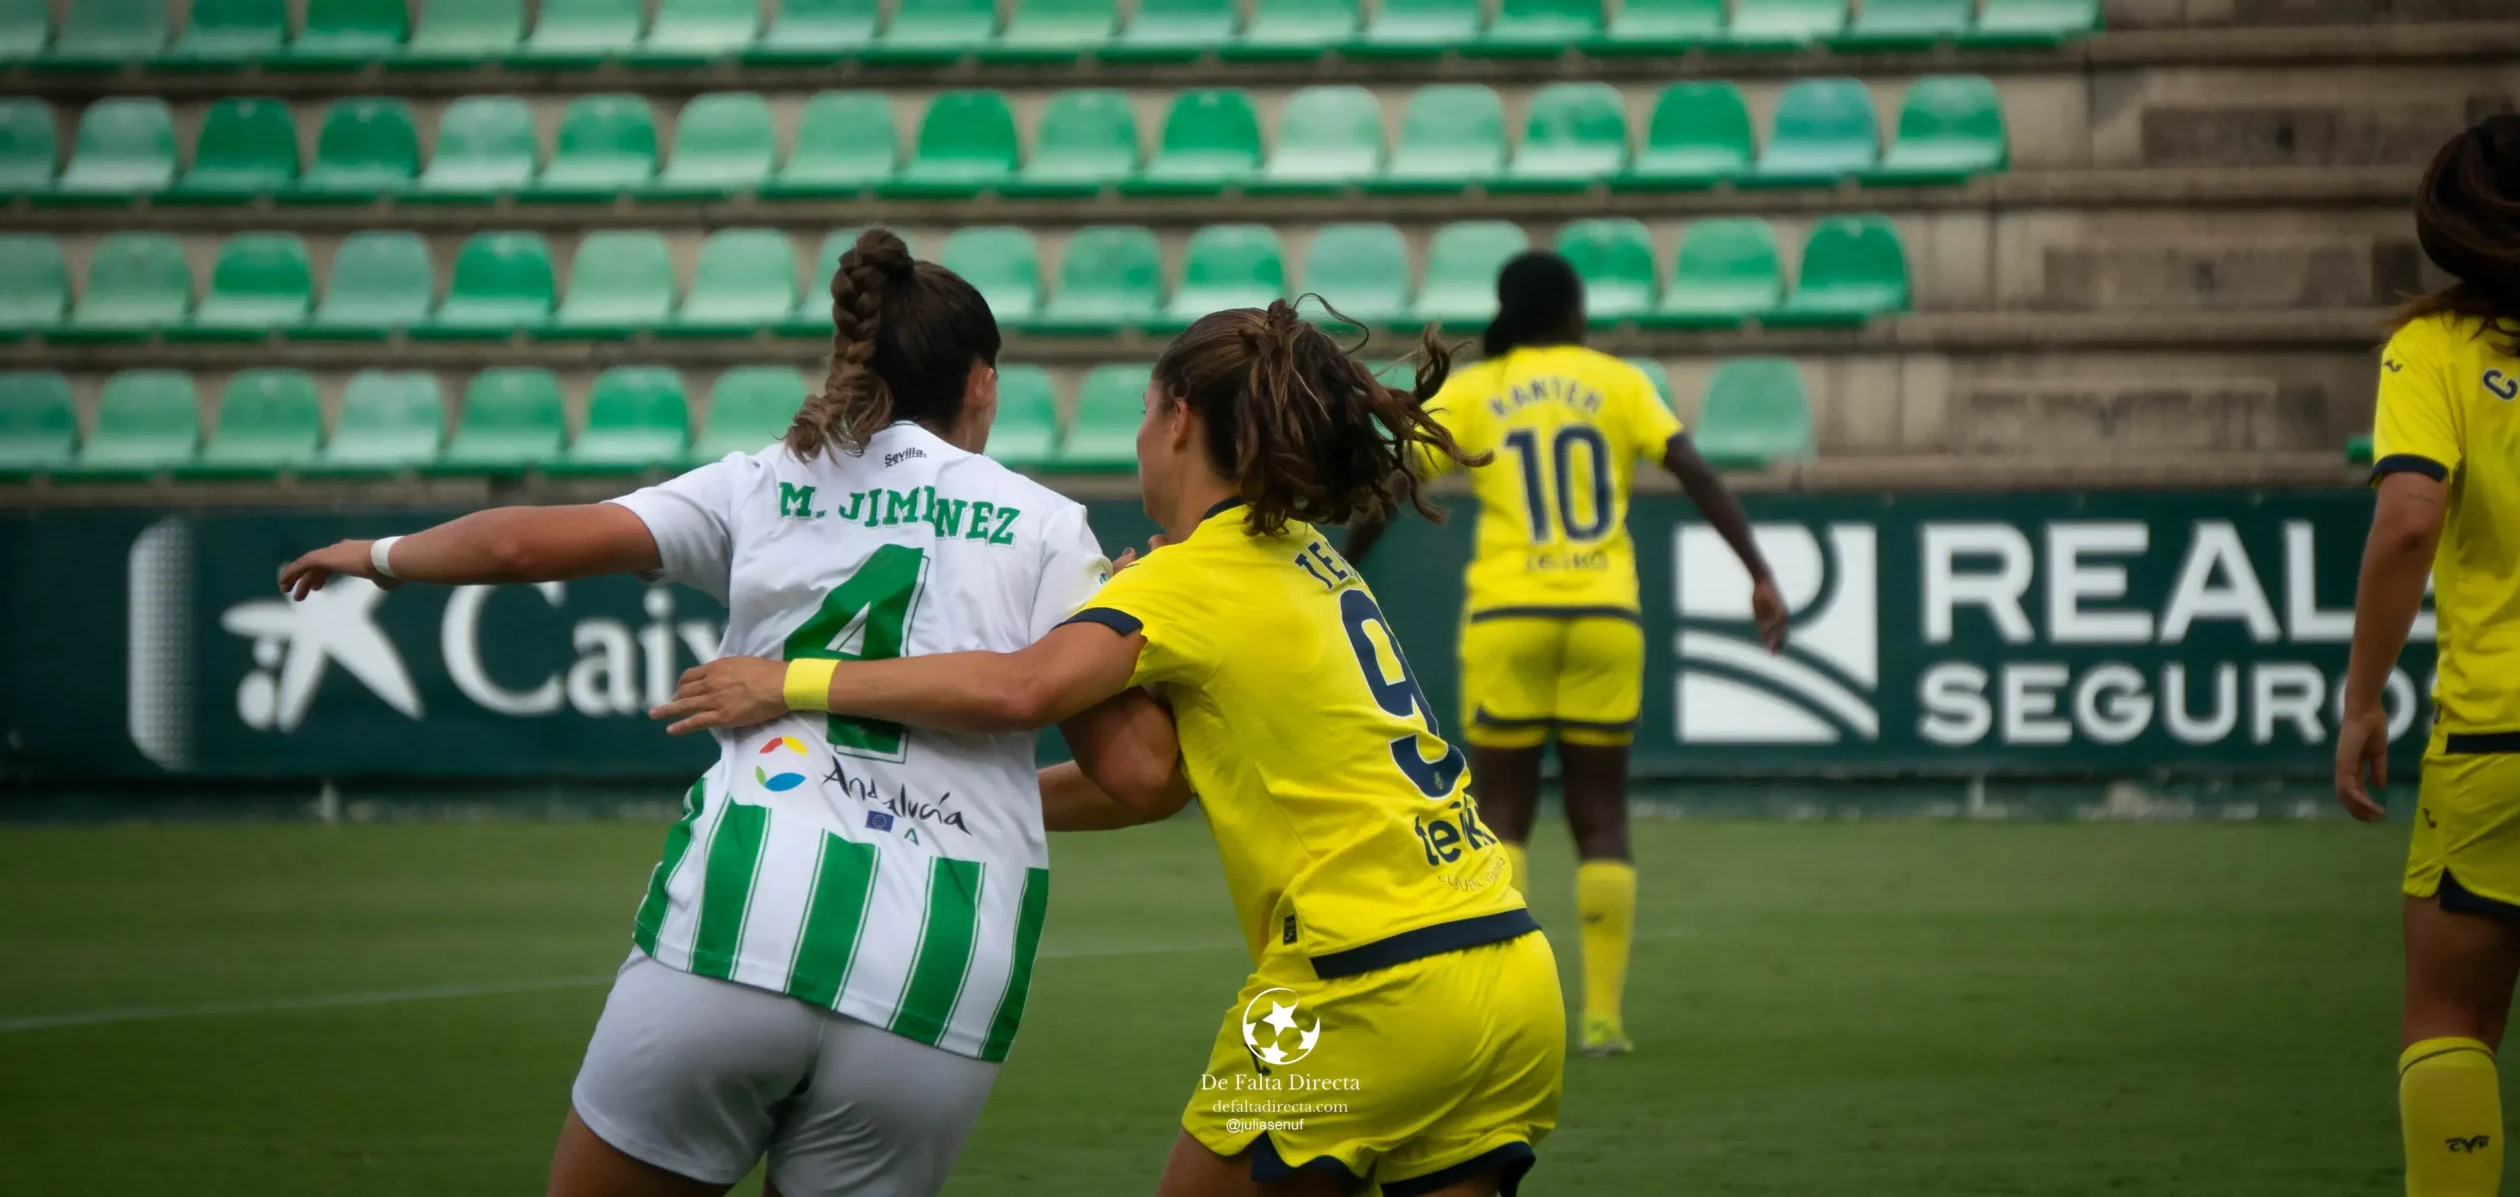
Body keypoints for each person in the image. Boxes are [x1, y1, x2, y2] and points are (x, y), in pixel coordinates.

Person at [277, 229, 1141, 1197]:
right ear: (982, 382)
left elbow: (523, 546)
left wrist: (382, 554)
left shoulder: (765, 481)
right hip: (937, 972)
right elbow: (1139, 778)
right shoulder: (1047, 525)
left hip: (740, 924)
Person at [651, 303, 1568, 1197]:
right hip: (1507, 964)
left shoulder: (1187, 576)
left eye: (1141, 411)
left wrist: (789, 681)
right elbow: (1151, 782)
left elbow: (1021, 688)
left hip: (1363, 983)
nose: (1136, 437)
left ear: (1179, 419)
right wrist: (978, 800)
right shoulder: (1307, 558)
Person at [1341, 251, 1786, 1057]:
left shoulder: (1478, 390)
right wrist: (1757, 571)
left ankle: (1503, 1012)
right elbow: (1693, 469)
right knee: (1602, 816)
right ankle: (1605, 1019)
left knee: (1502, 815)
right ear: (1573, 313)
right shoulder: (1618, 383)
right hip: (1604, 613)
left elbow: (1397, 482)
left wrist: (1341, 565)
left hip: (1511, 613)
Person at [2337, 112, 2520, 1197]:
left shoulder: (2430, 348)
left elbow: (2410, 518)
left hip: (2510, 731)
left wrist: (2361, 698)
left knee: (2448, 1024)